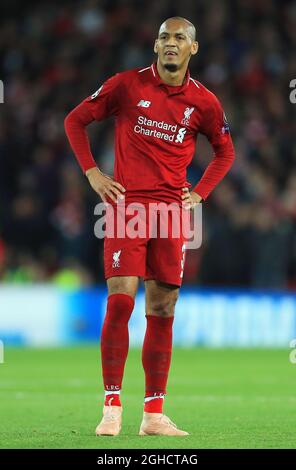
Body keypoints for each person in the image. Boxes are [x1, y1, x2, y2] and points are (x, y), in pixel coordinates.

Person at [64, 16, 235, 436]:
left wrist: (199, 193)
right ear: (155, 46)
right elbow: (74, 120)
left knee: (162, 309)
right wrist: (92, 173)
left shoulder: (205, 102)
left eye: (179, 38)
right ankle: (111, 406)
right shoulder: (126, 85)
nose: (170, 43)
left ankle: (153, 415)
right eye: (163, 37)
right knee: (120, 301)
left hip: (172, 214)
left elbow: (224, 153)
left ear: (193, 48)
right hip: (126, 206)